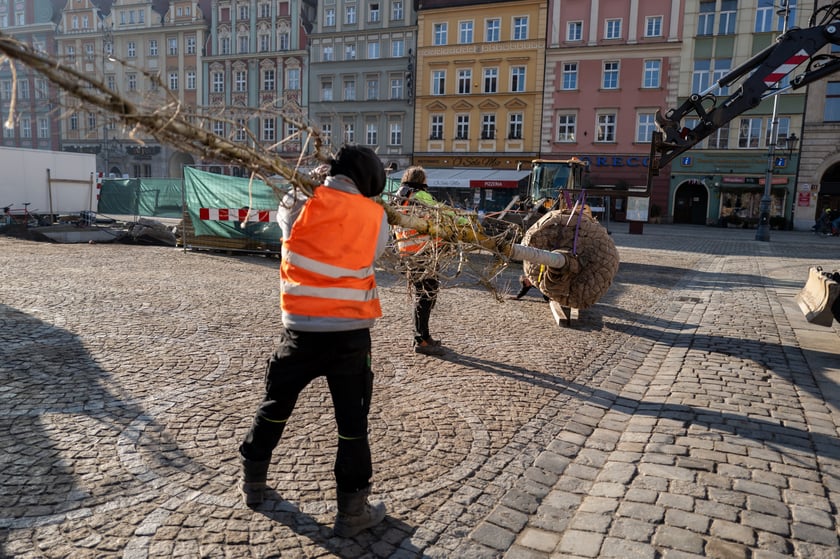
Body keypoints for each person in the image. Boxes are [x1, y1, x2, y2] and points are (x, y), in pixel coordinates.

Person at [238, 145, 390, 538]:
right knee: (352, 425)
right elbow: (373, 254)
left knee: (275, 406)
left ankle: (253, 483)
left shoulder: (297, 200)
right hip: (349, 337)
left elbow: (285, 221)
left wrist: (310, 181)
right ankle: (352, 511)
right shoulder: (376, 216)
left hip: (299, 331)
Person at [393, 166, 446, 356]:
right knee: (426, 298)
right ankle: (421, 339)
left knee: (423, 296)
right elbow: (444, 217)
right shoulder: (422, 197)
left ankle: (424, 335)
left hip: (408, 255)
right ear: (421, 180)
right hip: (424, 254)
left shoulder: (399, 198)